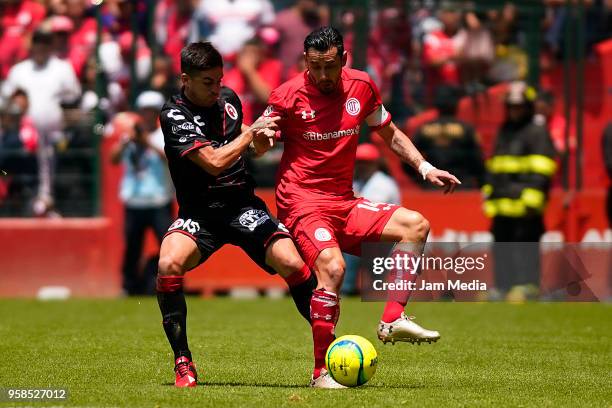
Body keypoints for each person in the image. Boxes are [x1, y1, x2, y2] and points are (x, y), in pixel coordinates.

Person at [262, 27, 461, 388]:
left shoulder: (362, 86)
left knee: (415, 225)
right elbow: (261, 146)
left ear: (343, 60)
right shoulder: (286, 95)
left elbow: (391, 134)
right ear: (306, 61)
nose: (323, 75)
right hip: (302, 204)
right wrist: (259, 137)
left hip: (344, 201)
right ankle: (321, 372)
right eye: (315, 66)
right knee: (334, 268)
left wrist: (426, 167)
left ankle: (392, 319)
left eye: (330, 66)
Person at [156, 42, 317, 388]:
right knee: (169, 263)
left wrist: (261, 140)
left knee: (292, 262)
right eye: (207, 83)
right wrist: (251, 135)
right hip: (199, 213)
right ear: (185, 79)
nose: (217, 89)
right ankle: (183, 362)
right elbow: (213, 163)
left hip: (242, 206)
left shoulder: (229, 100)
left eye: (219, 80)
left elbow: (251, 148)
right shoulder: (173, 115)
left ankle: (327, 353)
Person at [482, 81, 557, 302]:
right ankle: (502, 287)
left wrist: (530, 200)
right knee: (501, 246)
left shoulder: (537, 131)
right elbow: (495, 165)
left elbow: (543, 168)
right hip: (502, 203)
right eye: (511, 107)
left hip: (525, 204)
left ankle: (527, 286)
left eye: (519, 107)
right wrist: (490, 192)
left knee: (525, 246)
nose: (515, 111)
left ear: (528, 107)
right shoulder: (505, 130)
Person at [110, 91, 173, 295]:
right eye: (144, 111)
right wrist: (125, 142)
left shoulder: (164, 135)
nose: (147, 115)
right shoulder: (129, 136)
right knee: (132, 248)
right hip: (134, 201)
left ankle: (169, 285)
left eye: (151, 111)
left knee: (168, 247)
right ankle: (129, 287)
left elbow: (169, 159)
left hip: (159, 199)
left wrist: (147, 142)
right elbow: (113, 159)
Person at [405, 85, 485, 189]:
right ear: (456, 104)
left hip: (431, 188)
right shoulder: (467, 130)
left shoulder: (424, 129)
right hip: (462, 187)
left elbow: (407, 158)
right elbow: (478, 161)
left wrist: (421, 181)